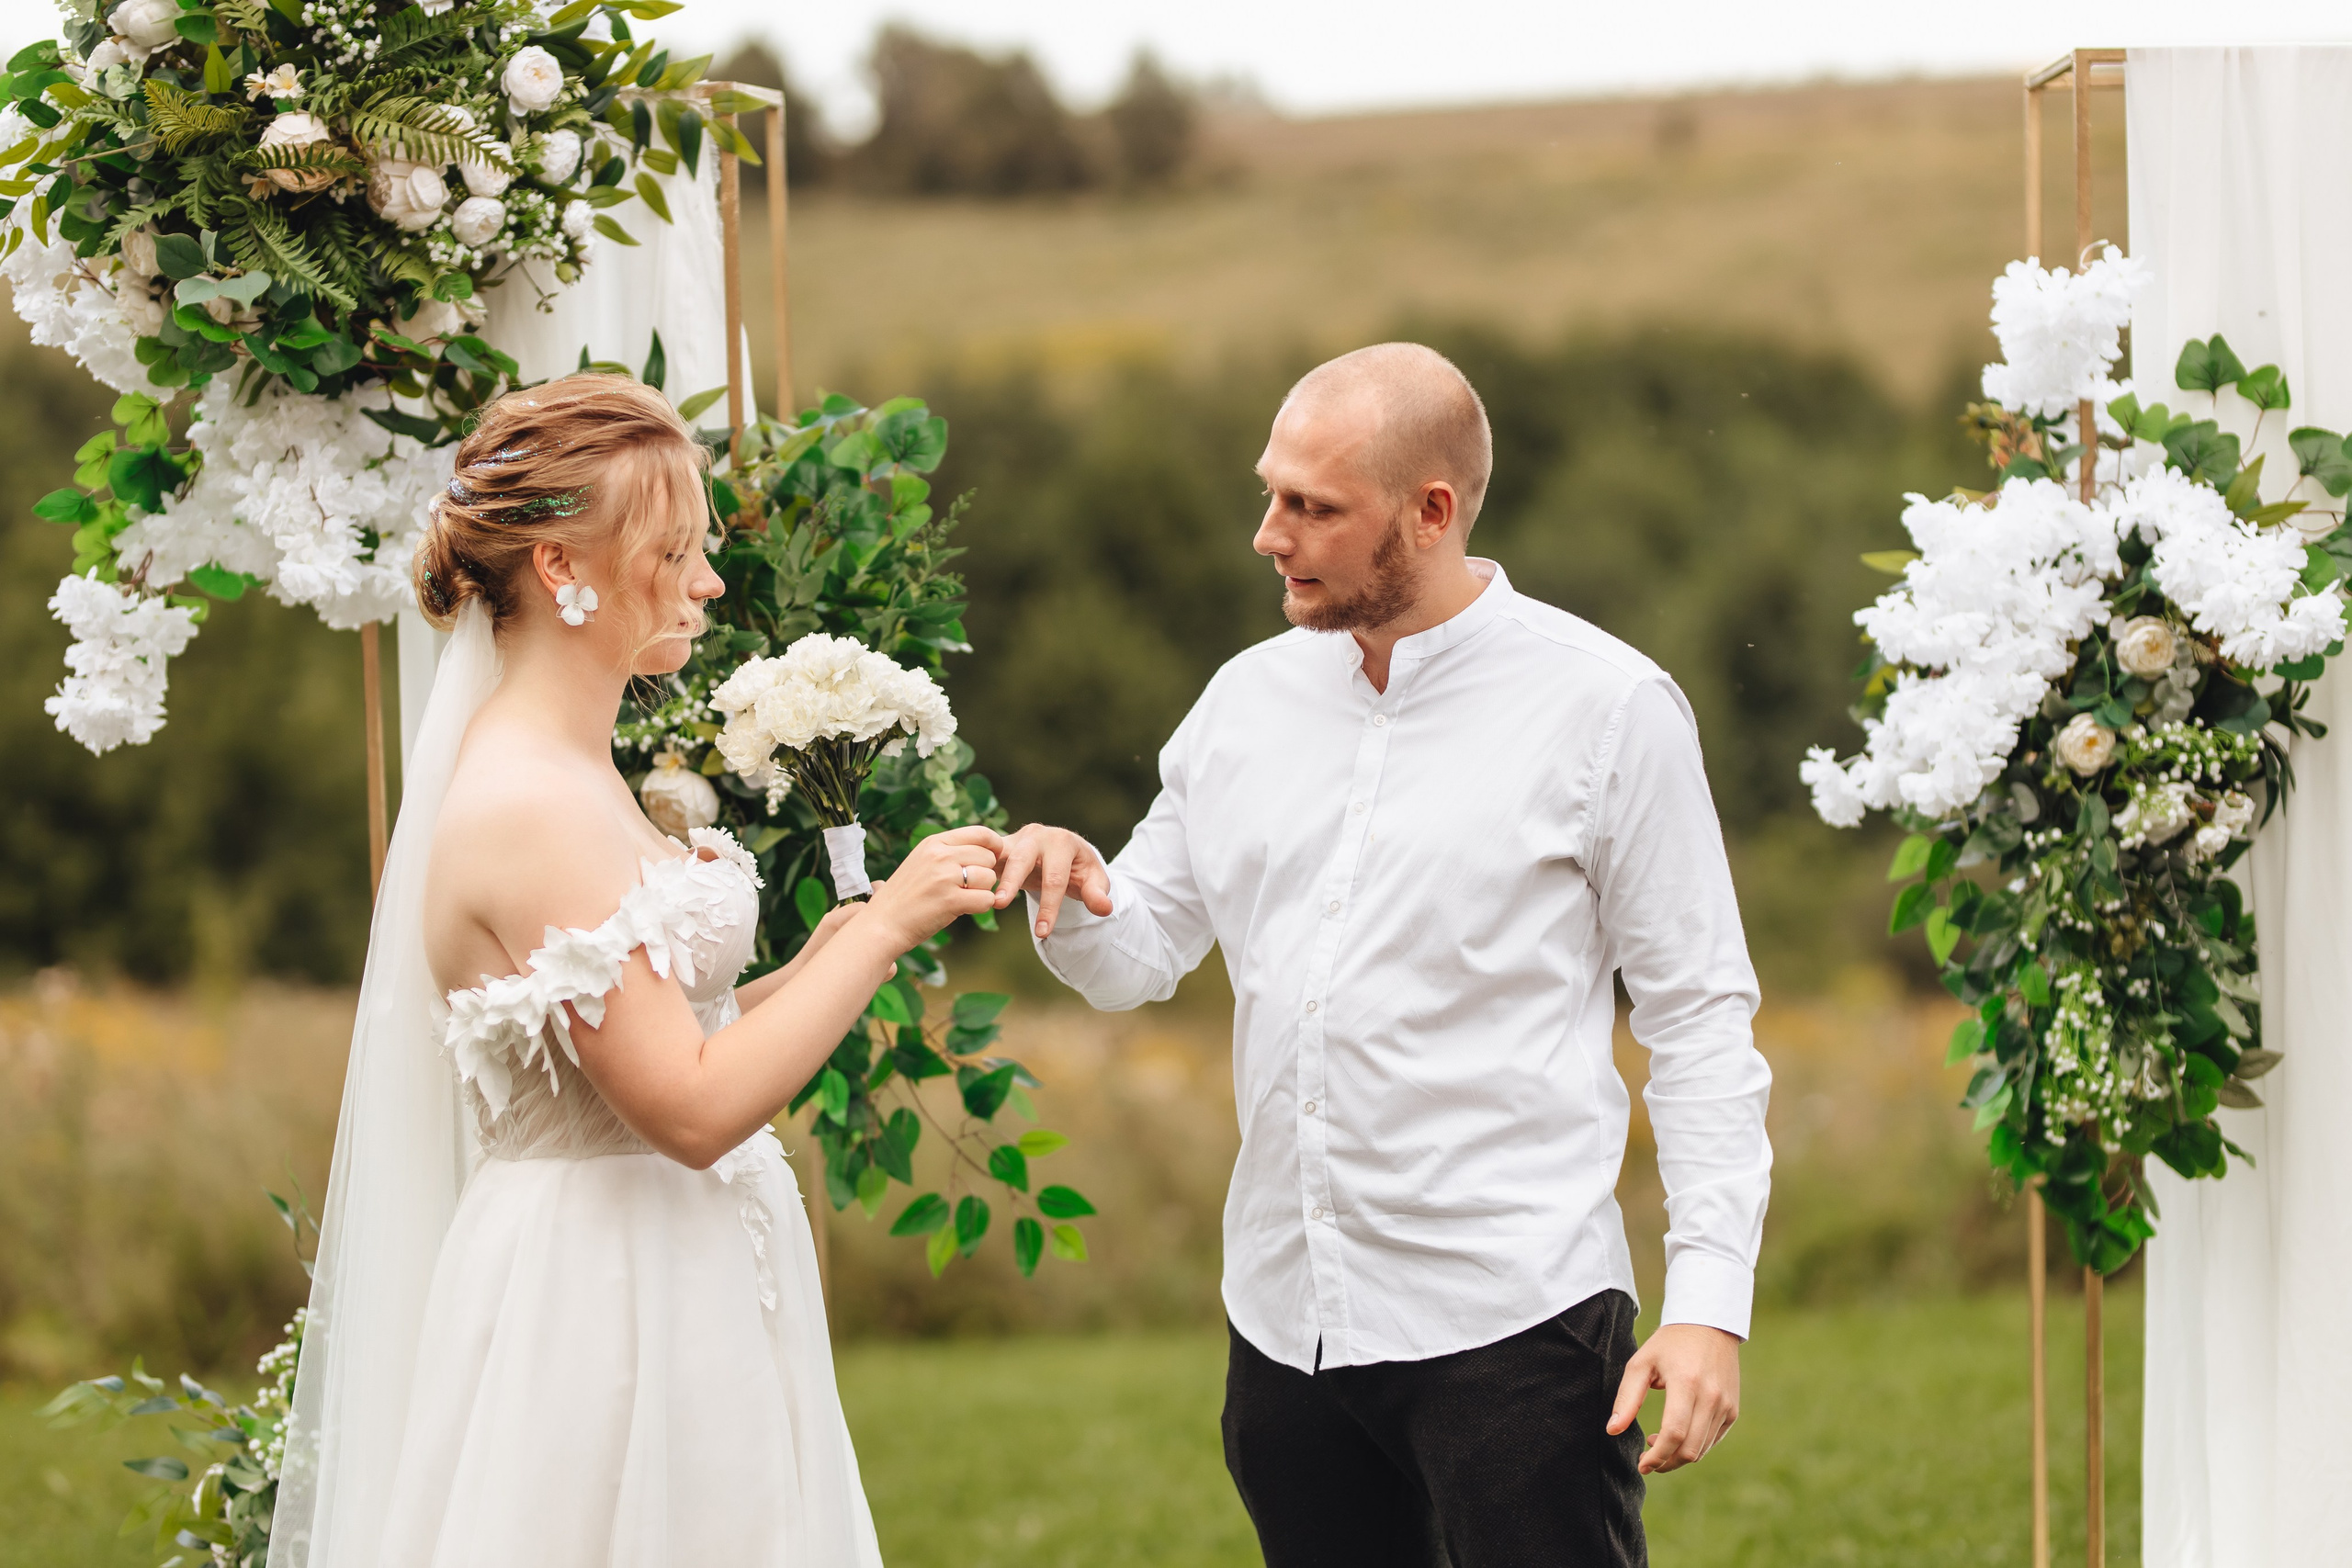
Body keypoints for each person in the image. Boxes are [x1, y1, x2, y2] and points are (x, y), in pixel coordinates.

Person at [992, 344, 1773, 1567]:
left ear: (1432, 511)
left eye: (1312, 507)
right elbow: (1135, 953)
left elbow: (1701, 1019)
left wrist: (1711, 1306)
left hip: (1517, 1325)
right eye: (1271, 492)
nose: (1269, 534)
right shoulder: (1242, 705)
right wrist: (1070, 882)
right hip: (1286, 1325)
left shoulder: (1609, 710)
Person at [269, 376, 1003, 1567]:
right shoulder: (529, 804)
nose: (709, 581)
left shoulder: (577, 770)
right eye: (677, 550)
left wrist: (849, 944)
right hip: (603, 1301)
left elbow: (673, 1031)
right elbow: (693, 1108)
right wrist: (877, 931)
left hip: (675, 1265)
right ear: (564, 568)